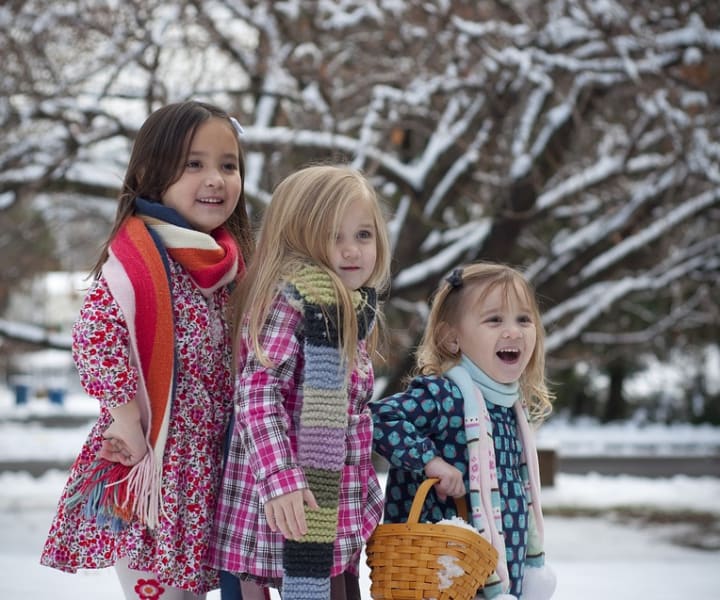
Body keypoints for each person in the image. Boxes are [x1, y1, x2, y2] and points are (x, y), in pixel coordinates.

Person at [40, 100, 254, 599]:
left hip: (214, 466)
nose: (216, 179)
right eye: (194, 164)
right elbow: (96, 337)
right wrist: (124, 418)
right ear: (153, 175)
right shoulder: (136, 262)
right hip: (153, 465)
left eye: (228, 165)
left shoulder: (233, 268)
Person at [207, 164, 392, 600]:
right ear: (299, 238)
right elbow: (257, 393)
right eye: (334, 236)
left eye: (363, 235)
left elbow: (349, 414)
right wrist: (281, 477)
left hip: (329, 510)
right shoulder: (293, 302)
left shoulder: (347, 309)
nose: (351, 250)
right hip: (286, 510)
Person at [371, 262, 557, 600]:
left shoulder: (511, 409)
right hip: (443, 575)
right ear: (451, 337)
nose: (513, 331)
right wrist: (430, 461)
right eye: (494, 320)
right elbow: (381, 418)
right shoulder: (445, 395)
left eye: (524, 319)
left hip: (504, 571)